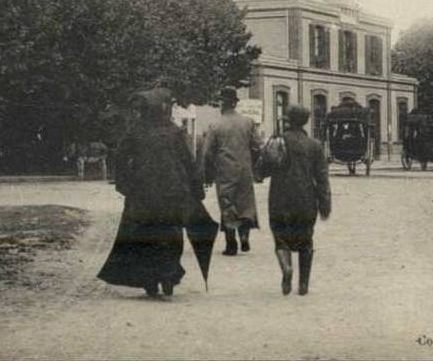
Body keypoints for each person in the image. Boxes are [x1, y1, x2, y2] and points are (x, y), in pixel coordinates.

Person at [97, 90, 205, 297]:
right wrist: (196, 188)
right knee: (171, 233)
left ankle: (149, 280)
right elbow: (188, 163)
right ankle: (168, 275)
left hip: (142, 193)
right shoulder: (174, 131)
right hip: (171, 193)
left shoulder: (136, 130)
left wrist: (124, 183)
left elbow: (120, 158)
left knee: (145, 234)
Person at [261, 104, 332, 296]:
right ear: (306, 121)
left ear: (288, 120)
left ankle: (286, 268)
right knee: (306, 241)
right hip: (306, 198)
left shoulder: (278, 141)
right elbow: (322, 178)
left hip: (279, 197)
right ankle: (303, 285)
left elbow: (262, 169)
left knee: (281, 238)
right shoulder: (315, 145)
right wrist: (325, 204)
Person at [202, 87, 262, 256]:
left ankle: (231, 244)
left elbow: (207, 153)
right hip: (244, 169)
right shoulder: (248, 122)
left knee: (227, 203)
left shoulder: (215, 125)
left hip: (224, 170)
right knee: (245, 203)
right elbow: (257, 146)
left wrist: (208, 172)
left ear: (222, 103)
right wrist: (252, 163)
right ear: (235, 103)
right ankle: (244, 236)